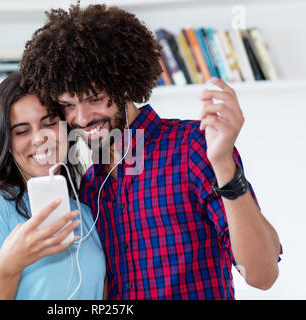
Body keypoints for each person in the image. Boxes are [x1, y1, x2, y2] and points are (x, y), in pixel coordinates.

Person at [19, 4, 282, 299]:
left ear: (125, 85)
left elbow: (262, 274)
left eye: (94, 98)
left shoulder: (193, 147)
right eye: (68, 105)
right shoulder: (90, 184)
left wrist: (223, 165)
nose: (81, 118)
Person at [0, 72, 106, 300]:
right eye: (22, 131)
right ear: (6, 143)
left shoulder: (87, 212)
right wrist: (10, 264)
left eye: (49, 123)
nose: (39, 138)